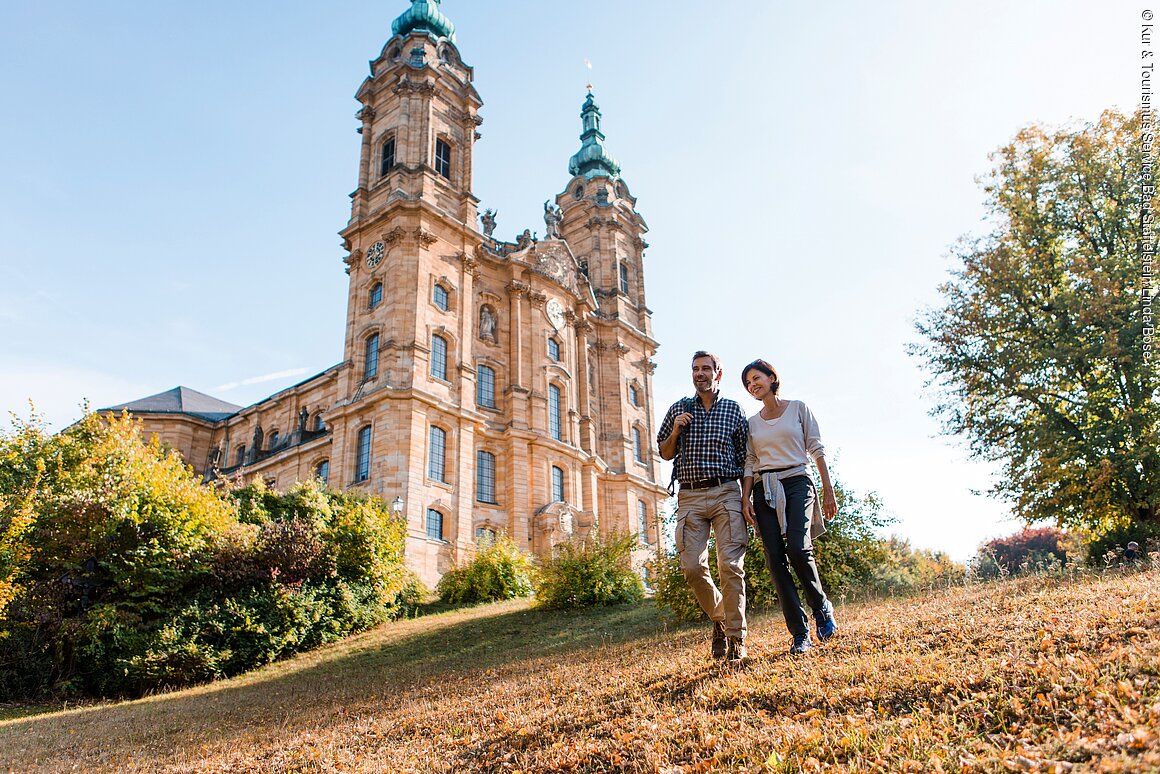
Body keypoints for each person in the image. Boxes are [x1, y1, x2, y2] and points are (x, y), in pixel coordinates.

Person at [739, 359, 838, 655]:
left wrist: (827, 489)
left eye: (756, 378)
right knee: (775, 559)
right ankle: (800, 633)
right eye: (748, 383)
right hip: (763, 488)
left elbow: (816, 448)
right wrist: (745, 498)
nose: (753, 385)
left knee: (797, 547)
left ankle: (821, 607)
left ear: (771, 378)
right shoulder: (752, 423)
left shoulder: (798, 408)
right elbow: (750, 462)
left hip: (797, 481)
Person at [657, 351, 750, 661]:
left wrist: (745, 497)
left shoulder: (733, 410)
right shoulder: (678, 409)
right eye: (696, 369)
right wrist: (675, 431)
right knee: (692, 567)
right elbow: (665, 453)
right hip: (690, 496)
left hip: (726, 492)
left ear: (717, 374)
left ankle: (736, 640)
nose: (700, 373)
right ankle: (721, 618)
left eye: (706, 368)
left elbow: (745, 458)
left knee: (730, 566)